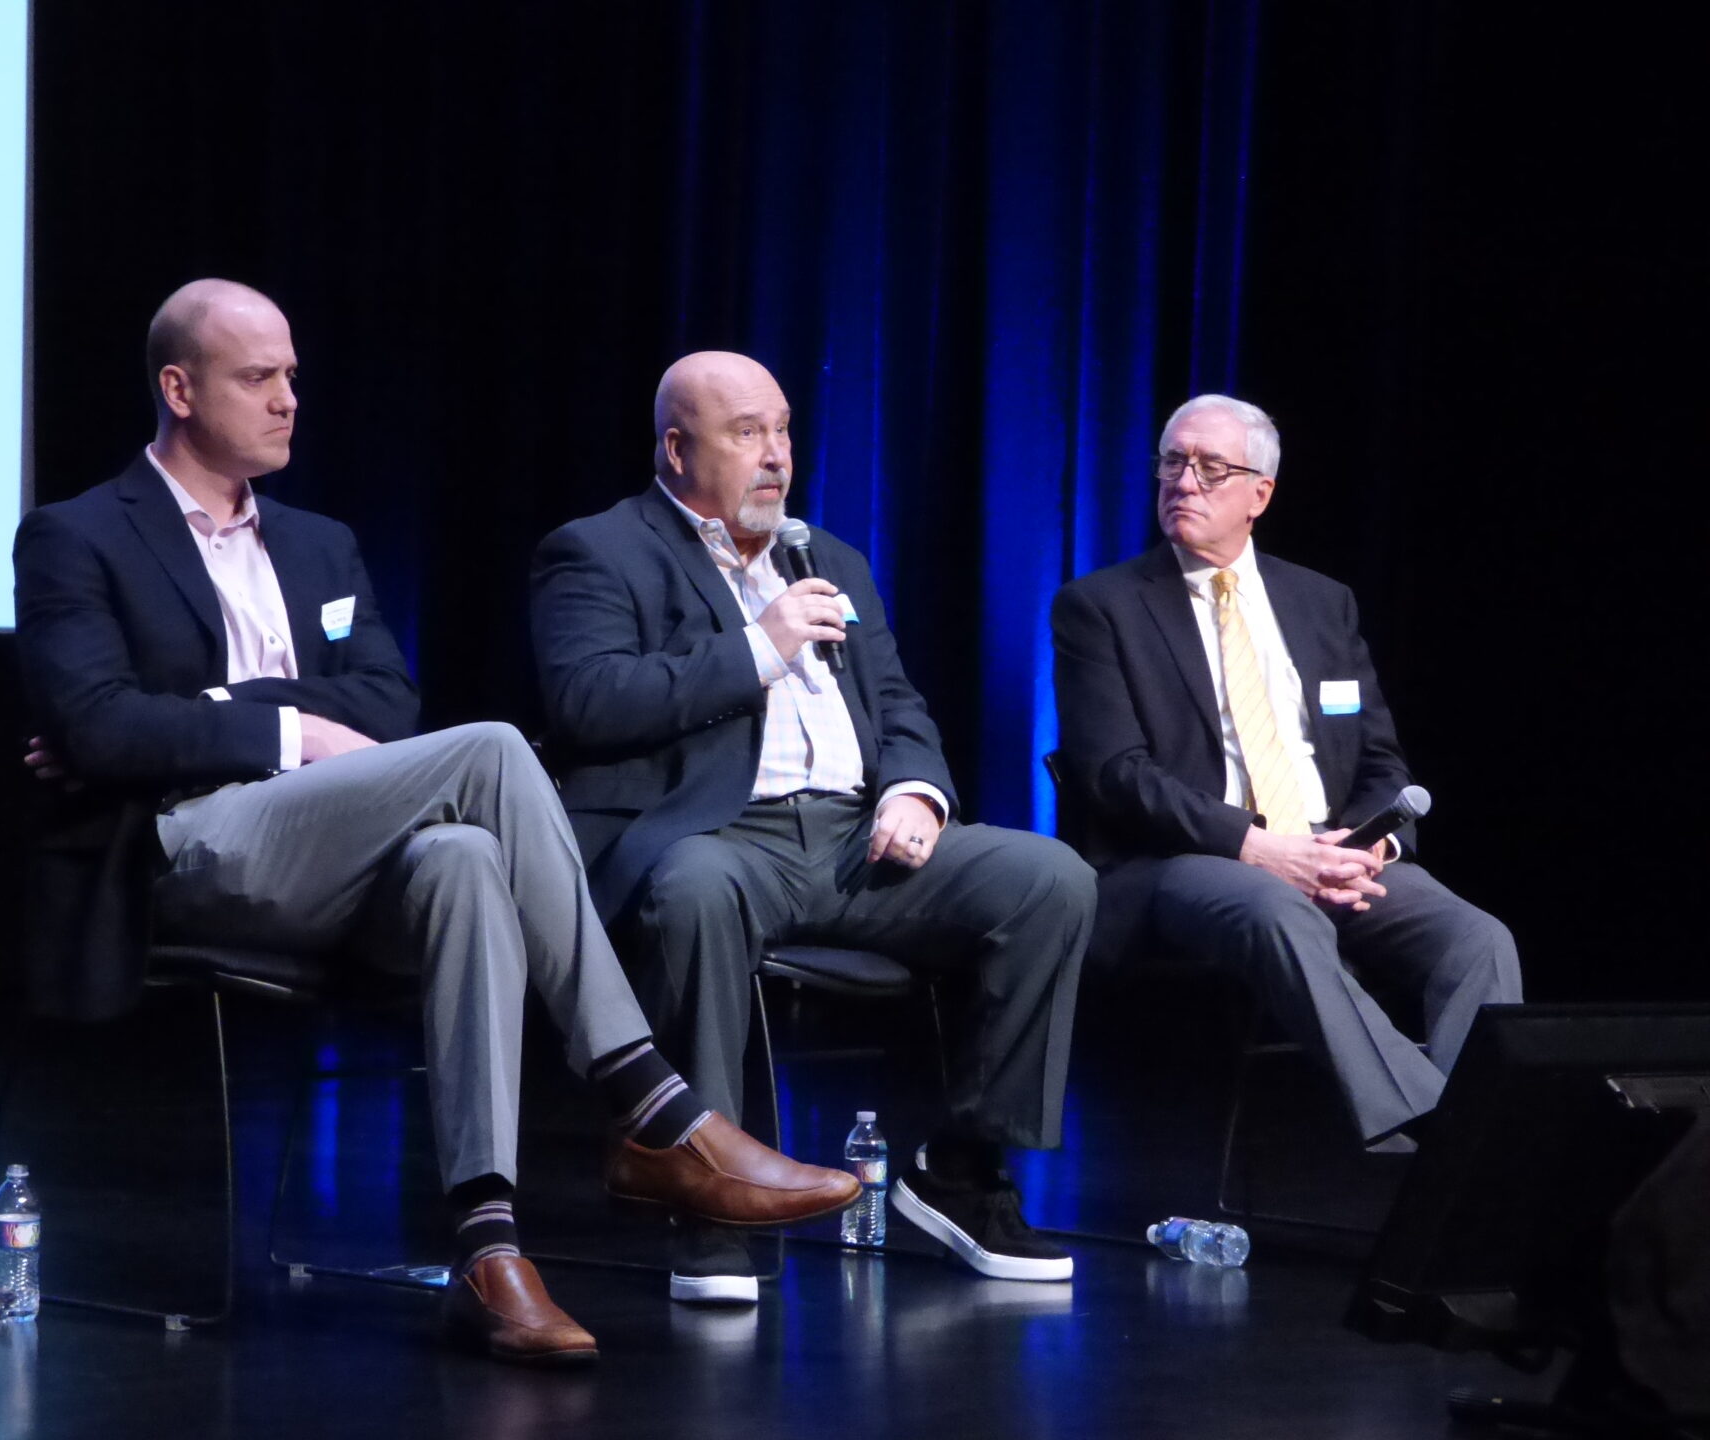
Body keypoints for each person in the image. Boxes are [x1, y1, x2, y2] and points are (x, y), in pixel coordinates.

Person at [12, 283, 857, 1366]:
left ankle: (488, 1250)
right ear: (179, 389)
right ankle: (655, 1105)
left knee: (461, 855)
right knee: (495, 748)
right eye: (257, 378)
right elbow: (96, 729)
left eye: (292, 376)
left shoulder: (319, 544)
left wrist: (232, 710)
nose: (287, 400)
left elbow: (386, 704)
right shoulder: (77, 536)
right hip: (187, 849)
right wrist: (292, 735)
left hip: (332, 853)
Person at [529, 350, 1095, 1303]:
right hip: (717, 841)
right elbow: (589, 703)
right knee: (695, 892)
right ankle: (704, 1197)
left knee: (1052, 880)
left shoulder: (828, 556)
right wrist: (761, 645)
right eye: (745, 433)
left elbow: (901, 706)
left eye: (783, 429)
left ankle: (961, 1170)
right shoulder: (598, 551)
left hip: (850, 840)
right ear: (675, 449)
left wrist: (916, 790)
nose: (776, 455)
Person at [1050, 393, 1521, 1150]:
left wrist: (1370, 845)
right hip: (1187, 864)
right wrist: (1263, 849)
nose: (1185, 482)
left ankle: (1477, 1146)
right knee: (1280, 910)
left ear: (1258, 494)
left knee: (1478, 939)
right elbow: (1115, 774)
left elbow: (1378, 758)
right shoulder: (1101, 606)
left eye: (1210, 468)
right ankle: (1455, 1138)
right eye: (1173, 463)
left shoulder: (1320, 603)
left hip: (1329, 852)